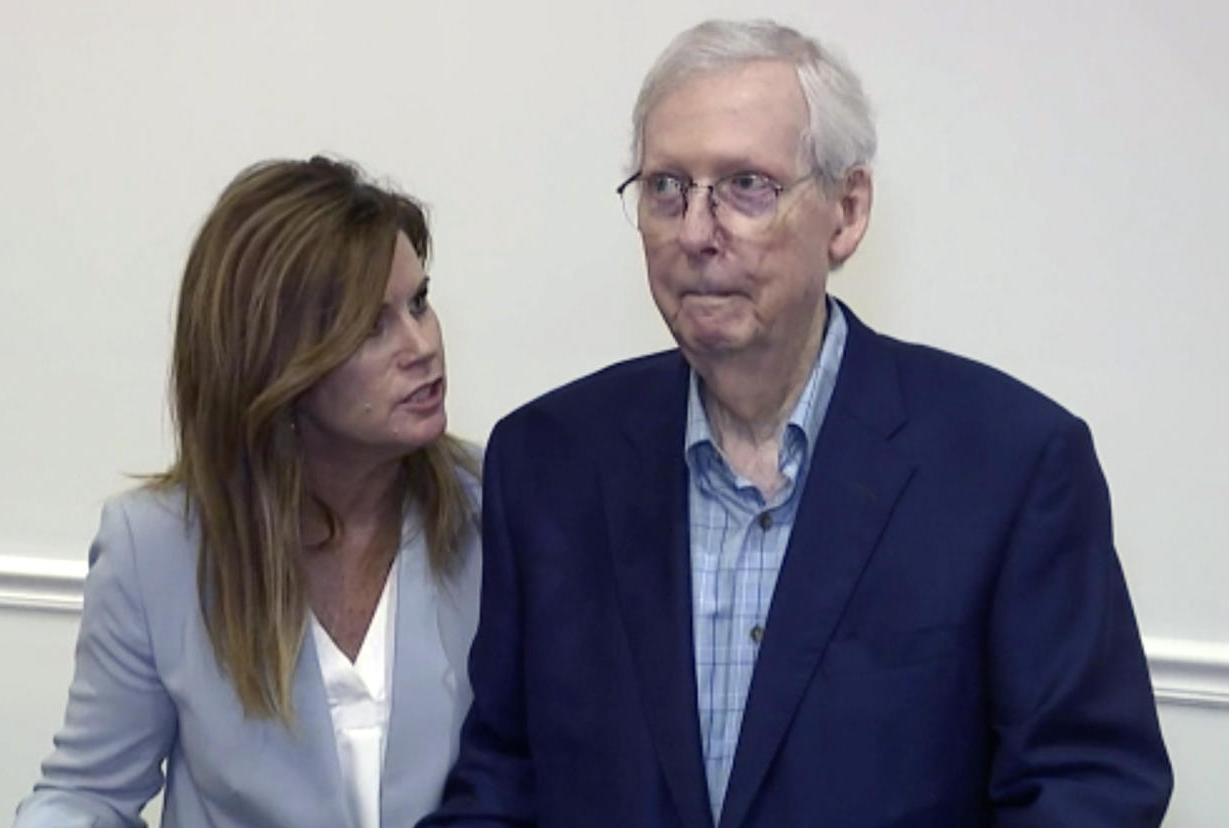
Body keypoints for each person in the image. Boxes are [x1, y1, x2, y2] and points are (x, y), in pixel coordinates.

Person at [422, 19, 1172, 828]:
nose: (697, 233)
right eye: (667, 187)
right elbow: (502, 776)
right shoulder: (548, 459)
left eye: (748, 186)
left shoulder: (1011, 463)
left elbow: (1088, 788)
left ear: (846, 212)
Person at [15, 156, 481, 828]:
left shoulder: (497, 505)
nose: (423, 346)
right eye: (372, 328)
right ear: (275, 364)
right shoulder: (155, 546)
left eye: (419, 303)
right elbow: (84, 796)